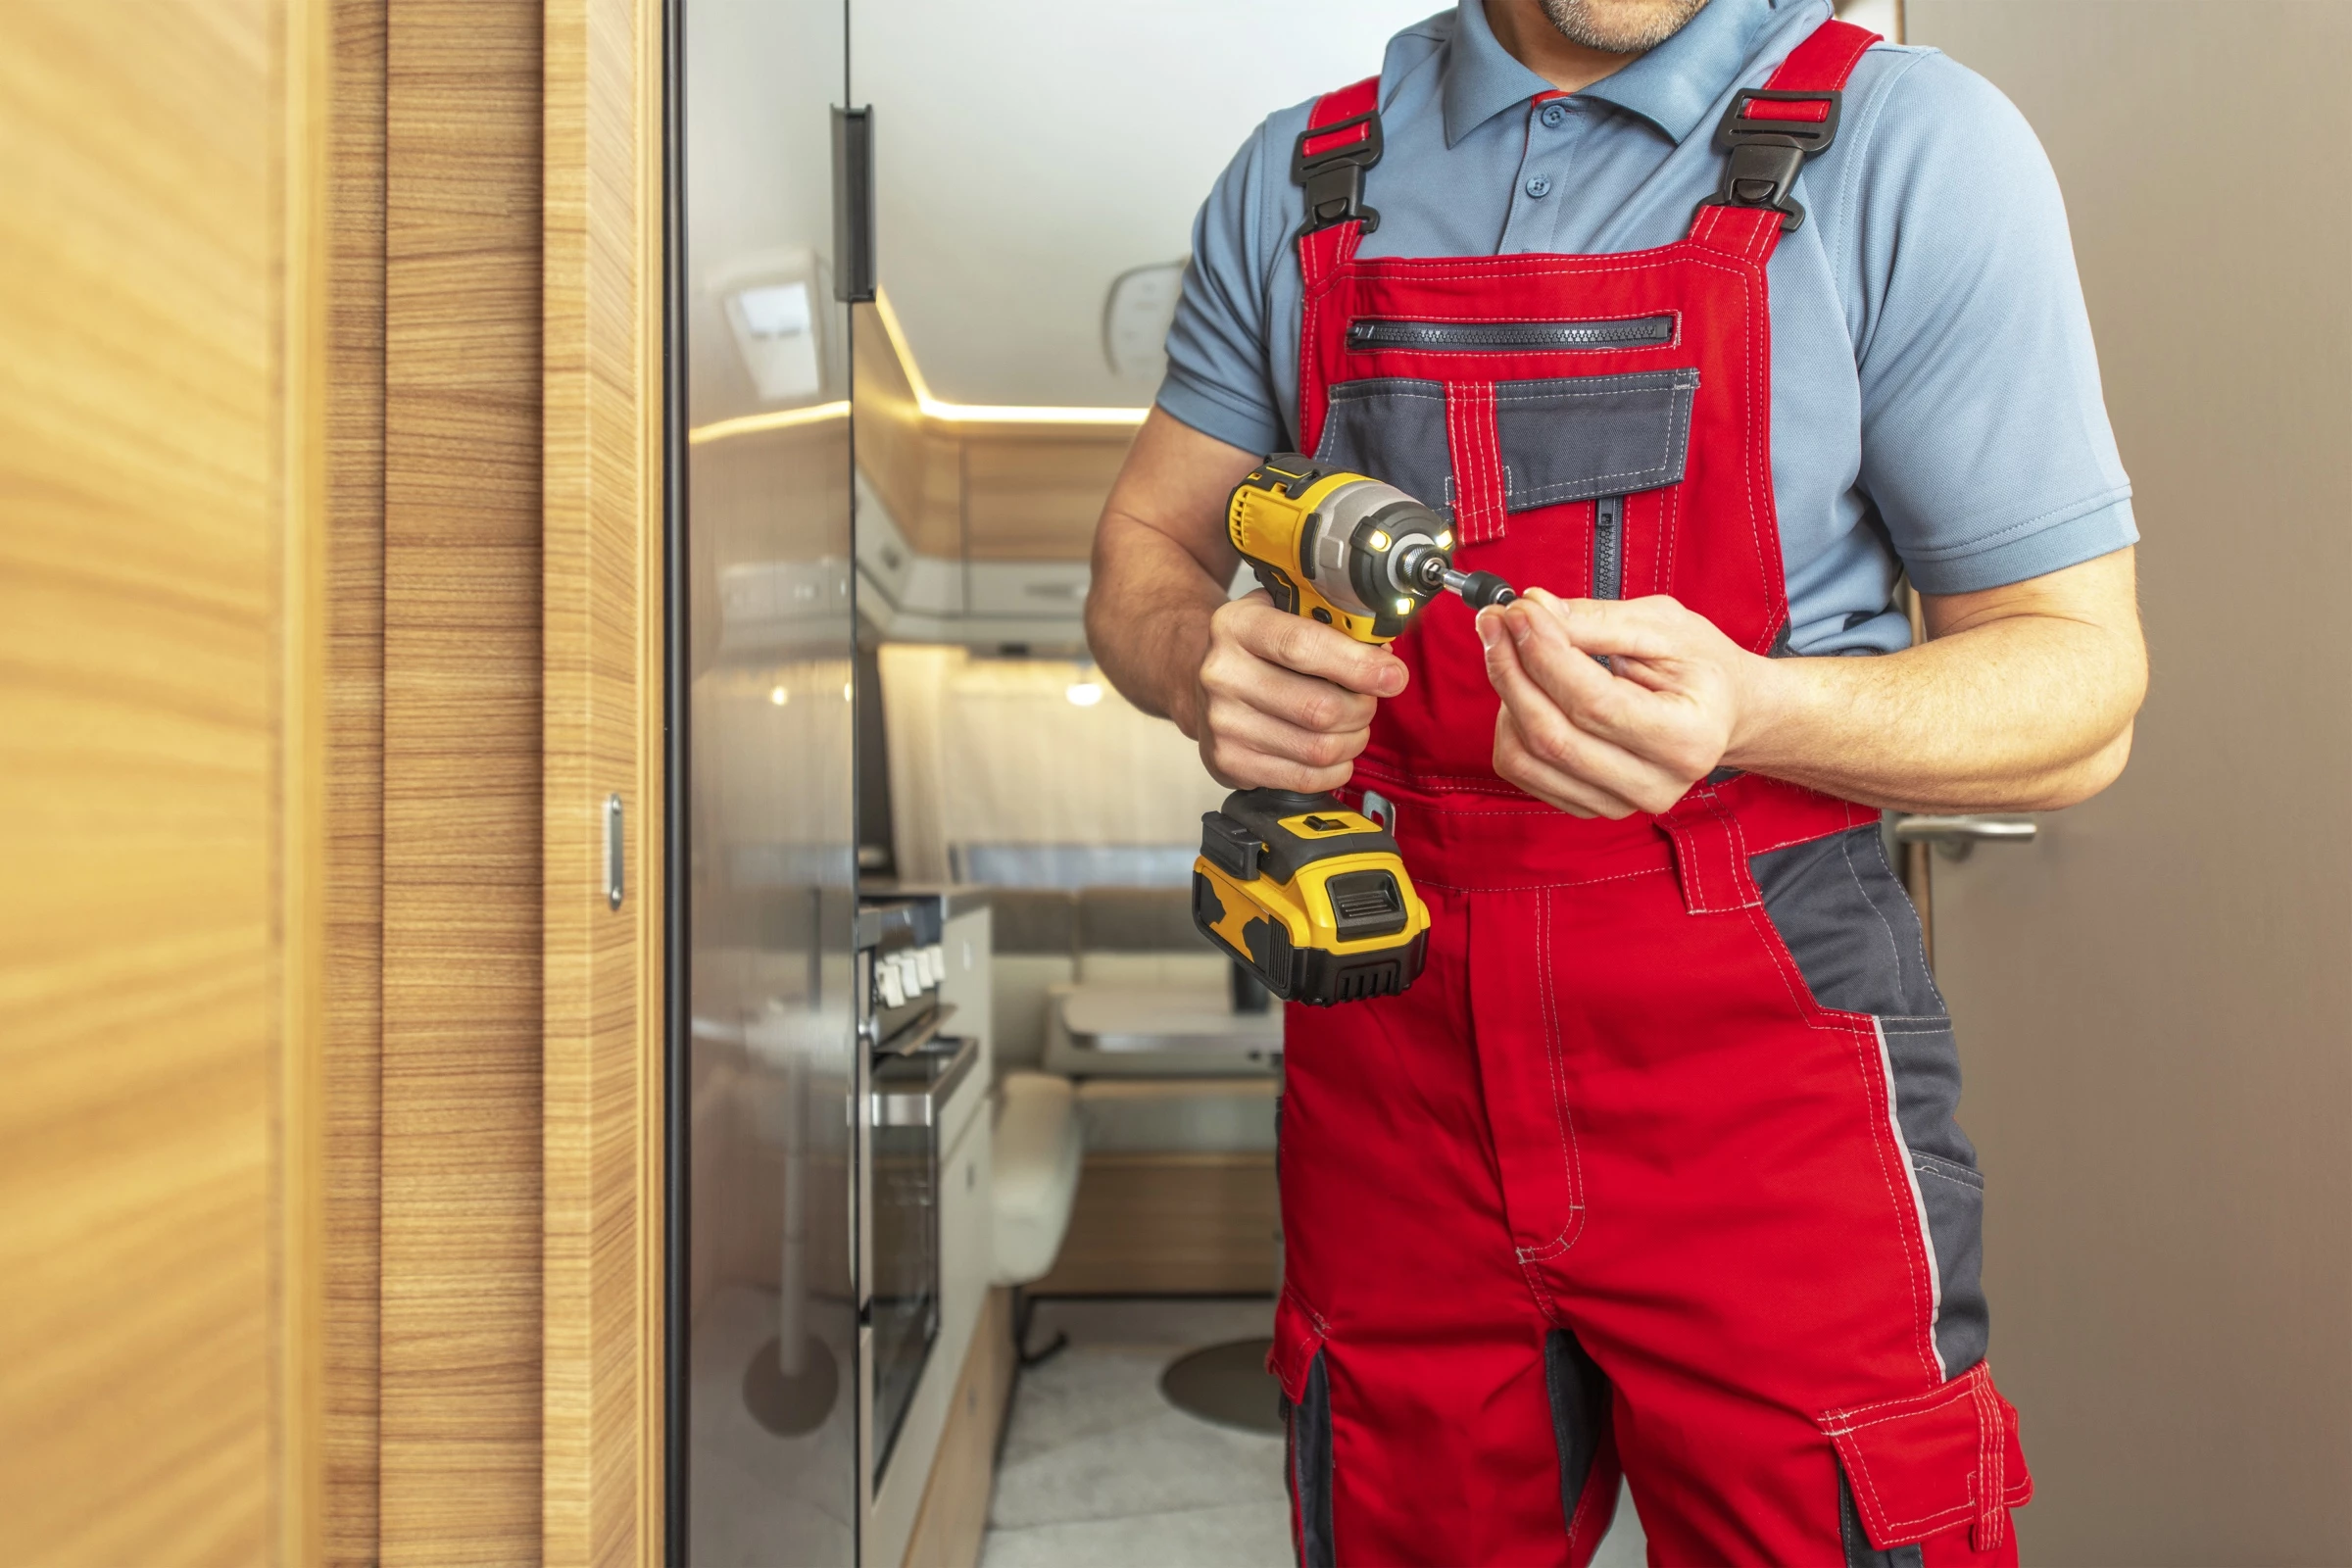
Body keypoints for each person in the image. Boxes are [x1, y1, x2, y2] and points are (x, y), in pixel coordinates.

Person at [1083, 0, 2146, 1561]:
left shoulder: (1905, 147)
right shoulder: (1303, 176)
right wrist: (1196, 664)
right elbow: (1142, 554)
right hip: (1389, 1054)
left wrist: (1756, 711)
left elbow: (2082, 691)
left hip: (1762, 1056)